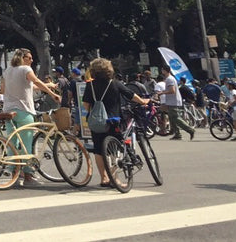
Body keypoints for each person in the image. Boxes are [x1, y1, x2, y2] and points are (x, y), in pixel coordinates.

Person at [82, 58, 149, 187]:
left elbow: (86, 104)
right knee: (115, 150)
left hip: (97, 122)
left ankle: (104, 178)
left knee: (98, 150)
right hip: (113, 120)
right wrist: (143, 101)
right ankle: (115, 178)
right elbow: (130, 95)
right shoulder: (114, 83)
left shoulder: (90, 85)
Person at [0, 48, 60, 186]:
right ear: (23, 58)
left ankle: (12, 170)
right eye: (29, 58)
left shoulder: (7, 71)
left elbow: (4, 90)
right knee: (27, 144)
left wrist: (45, 85)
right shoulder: (26, 70)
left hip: (8, 110)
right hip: (24, 110)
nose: (32, 60)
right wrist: (52, 93)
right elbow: (36, 82)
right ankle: (28, 175)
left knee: (12, 141)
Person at [158, 65, 195, 140]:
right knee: (172, 118)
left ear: (165, 70)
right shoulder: (170, 78)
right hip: (172, 101)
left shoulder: (169, 79)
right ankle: (177, 134)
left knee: (176, 118)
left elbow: (172, 90)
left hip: (173, 102)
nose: (162, 71)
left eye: (162, 70)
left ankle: (190, 130)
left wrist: (162, 92)